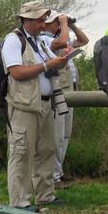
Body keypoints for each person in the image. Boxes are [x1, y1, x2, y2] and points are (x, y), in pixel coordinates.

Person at [3, 1, 73, 211]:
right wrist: (46, 65)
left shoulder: (40, 42)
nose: (44, 24)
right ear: (27, 20)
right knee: (21, 153)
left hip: (45, 104)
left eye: (44, 20)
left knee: (46, 150)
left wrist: (61, 60)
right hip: (23, 106)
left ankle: (45, 195)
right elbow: (16, 72)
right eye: (40, 20)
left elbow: (51, 64)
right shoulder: (13, 40)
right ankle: (20, 202)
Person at [41, 11, 89, 188]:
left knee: (66, 134)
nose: (59, 24)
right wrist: (63, 24)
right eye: (56, 22)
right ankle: (53, 177)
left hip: (70, 88)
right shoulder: (44, 40)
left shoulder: (60, 37)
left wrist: (72, 25)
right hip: (58, 90)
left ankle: (58, 171)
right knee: (57, 135)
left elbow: (84, 41)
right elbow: (61, 43)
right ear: (47, 23)